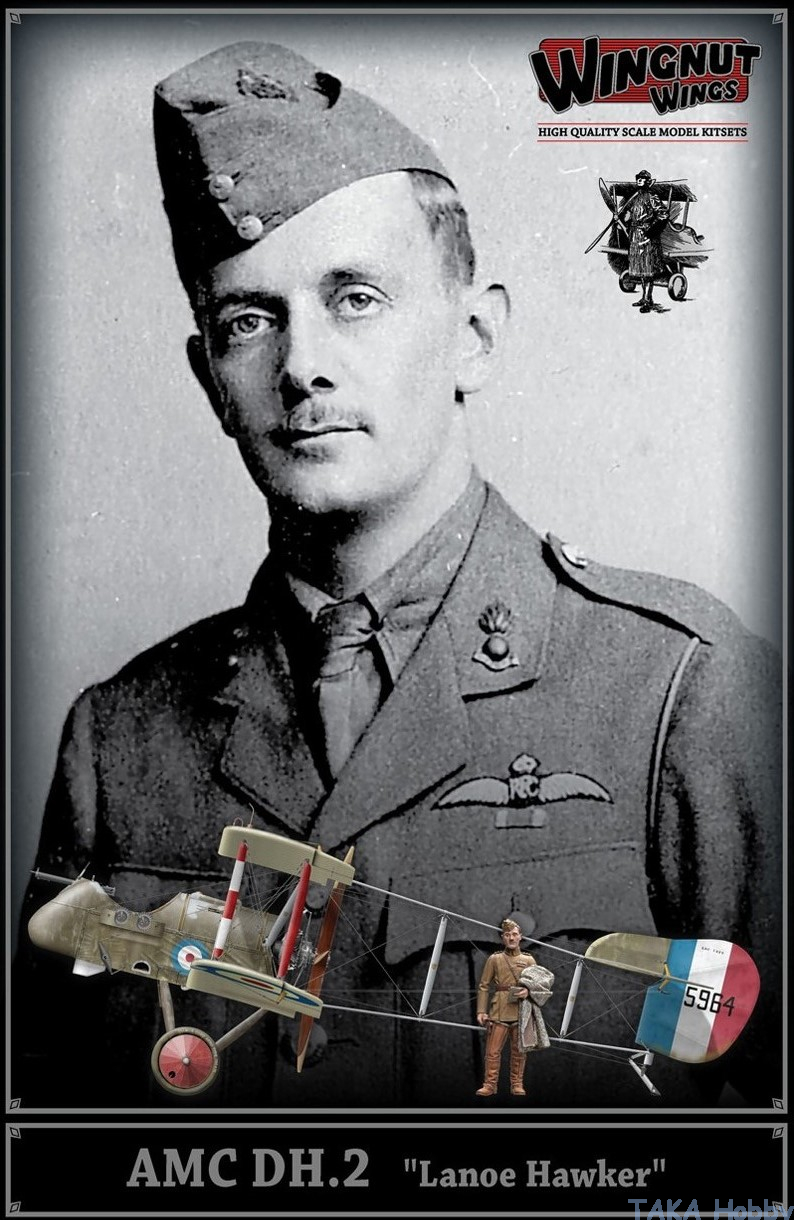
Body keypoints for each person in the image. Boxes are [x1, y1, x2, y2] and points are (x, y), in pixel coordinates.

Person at [13, 41, 781, 1110]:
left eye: (356, 297)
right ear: (209, 380)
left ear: (474, 335)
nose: (301, 365)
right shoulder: (120, 739)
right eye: (248, 321)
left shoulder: (677, 690)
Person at [475, 918, 536, 1098]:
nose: (511, 938)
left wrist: (528, 992)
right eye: (507, 935)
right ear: (503, 937)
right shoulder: (495, 959)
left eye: (514, 934)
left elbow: (538, 984)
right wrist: (481, 1010)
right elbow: (484, 985)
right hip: (499, 1010)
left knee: (519, 1051)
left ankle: (517, 1084)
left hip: (520, 1010)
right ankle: (489, 1084)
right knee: (492, 1052)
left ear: (520, 937)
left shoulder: (528, 960)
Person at [625, 169, 669, 312]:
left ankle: (648, 300)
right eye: (638, 177)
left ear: (648, 181)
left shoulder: (652, 197)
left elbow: (663, 214)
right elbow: (631, 214)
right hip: (636, 236)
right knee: (641, 269)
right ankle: (644, 298)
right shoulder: (636, 197)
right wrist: (626, 220)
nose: (639, 180)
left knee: (648, 270)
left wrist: (652, 230)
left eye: (642, 178)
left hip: (647, 237)